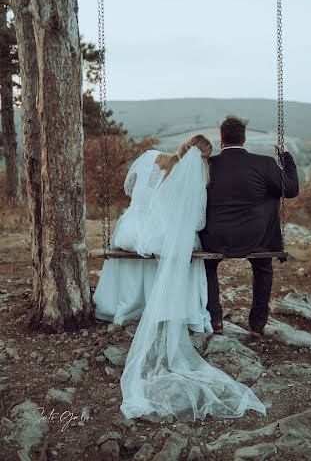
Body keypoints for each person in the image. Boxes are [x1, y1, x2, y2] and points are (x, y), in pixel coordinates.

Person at [118, 138, 266, 421]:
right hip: (172, 236)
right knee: (192, 248)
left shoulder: (158, 160)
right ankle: (194, 313)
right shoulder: (197, 176)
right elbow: (197, 223)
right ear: (204, 158)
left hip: (145, 232)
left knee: (185, 248)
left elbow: (134, 192)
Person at [93, 136, 212, 333]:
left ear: (184, 144)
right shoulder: (194, 176)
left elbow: (128, 189)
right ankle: (174, 309)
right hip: (162, 236)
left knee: (147, 247)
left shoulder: (151, 157)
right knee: (182, 247)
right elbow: (198, 223)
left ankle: (127, 306)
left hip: (130, 231)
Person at [200, 117, 299, 335]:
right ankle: (257, 324)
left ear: (221, 139)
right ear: (244, 139)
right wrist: (286, 159)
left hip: (216, 237)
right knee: (263, 266)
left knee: (206, 266)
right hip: (257, 236)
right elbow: (291, 189)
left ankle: (215, 319)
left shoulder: (207, 165)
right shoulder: (264, 163)